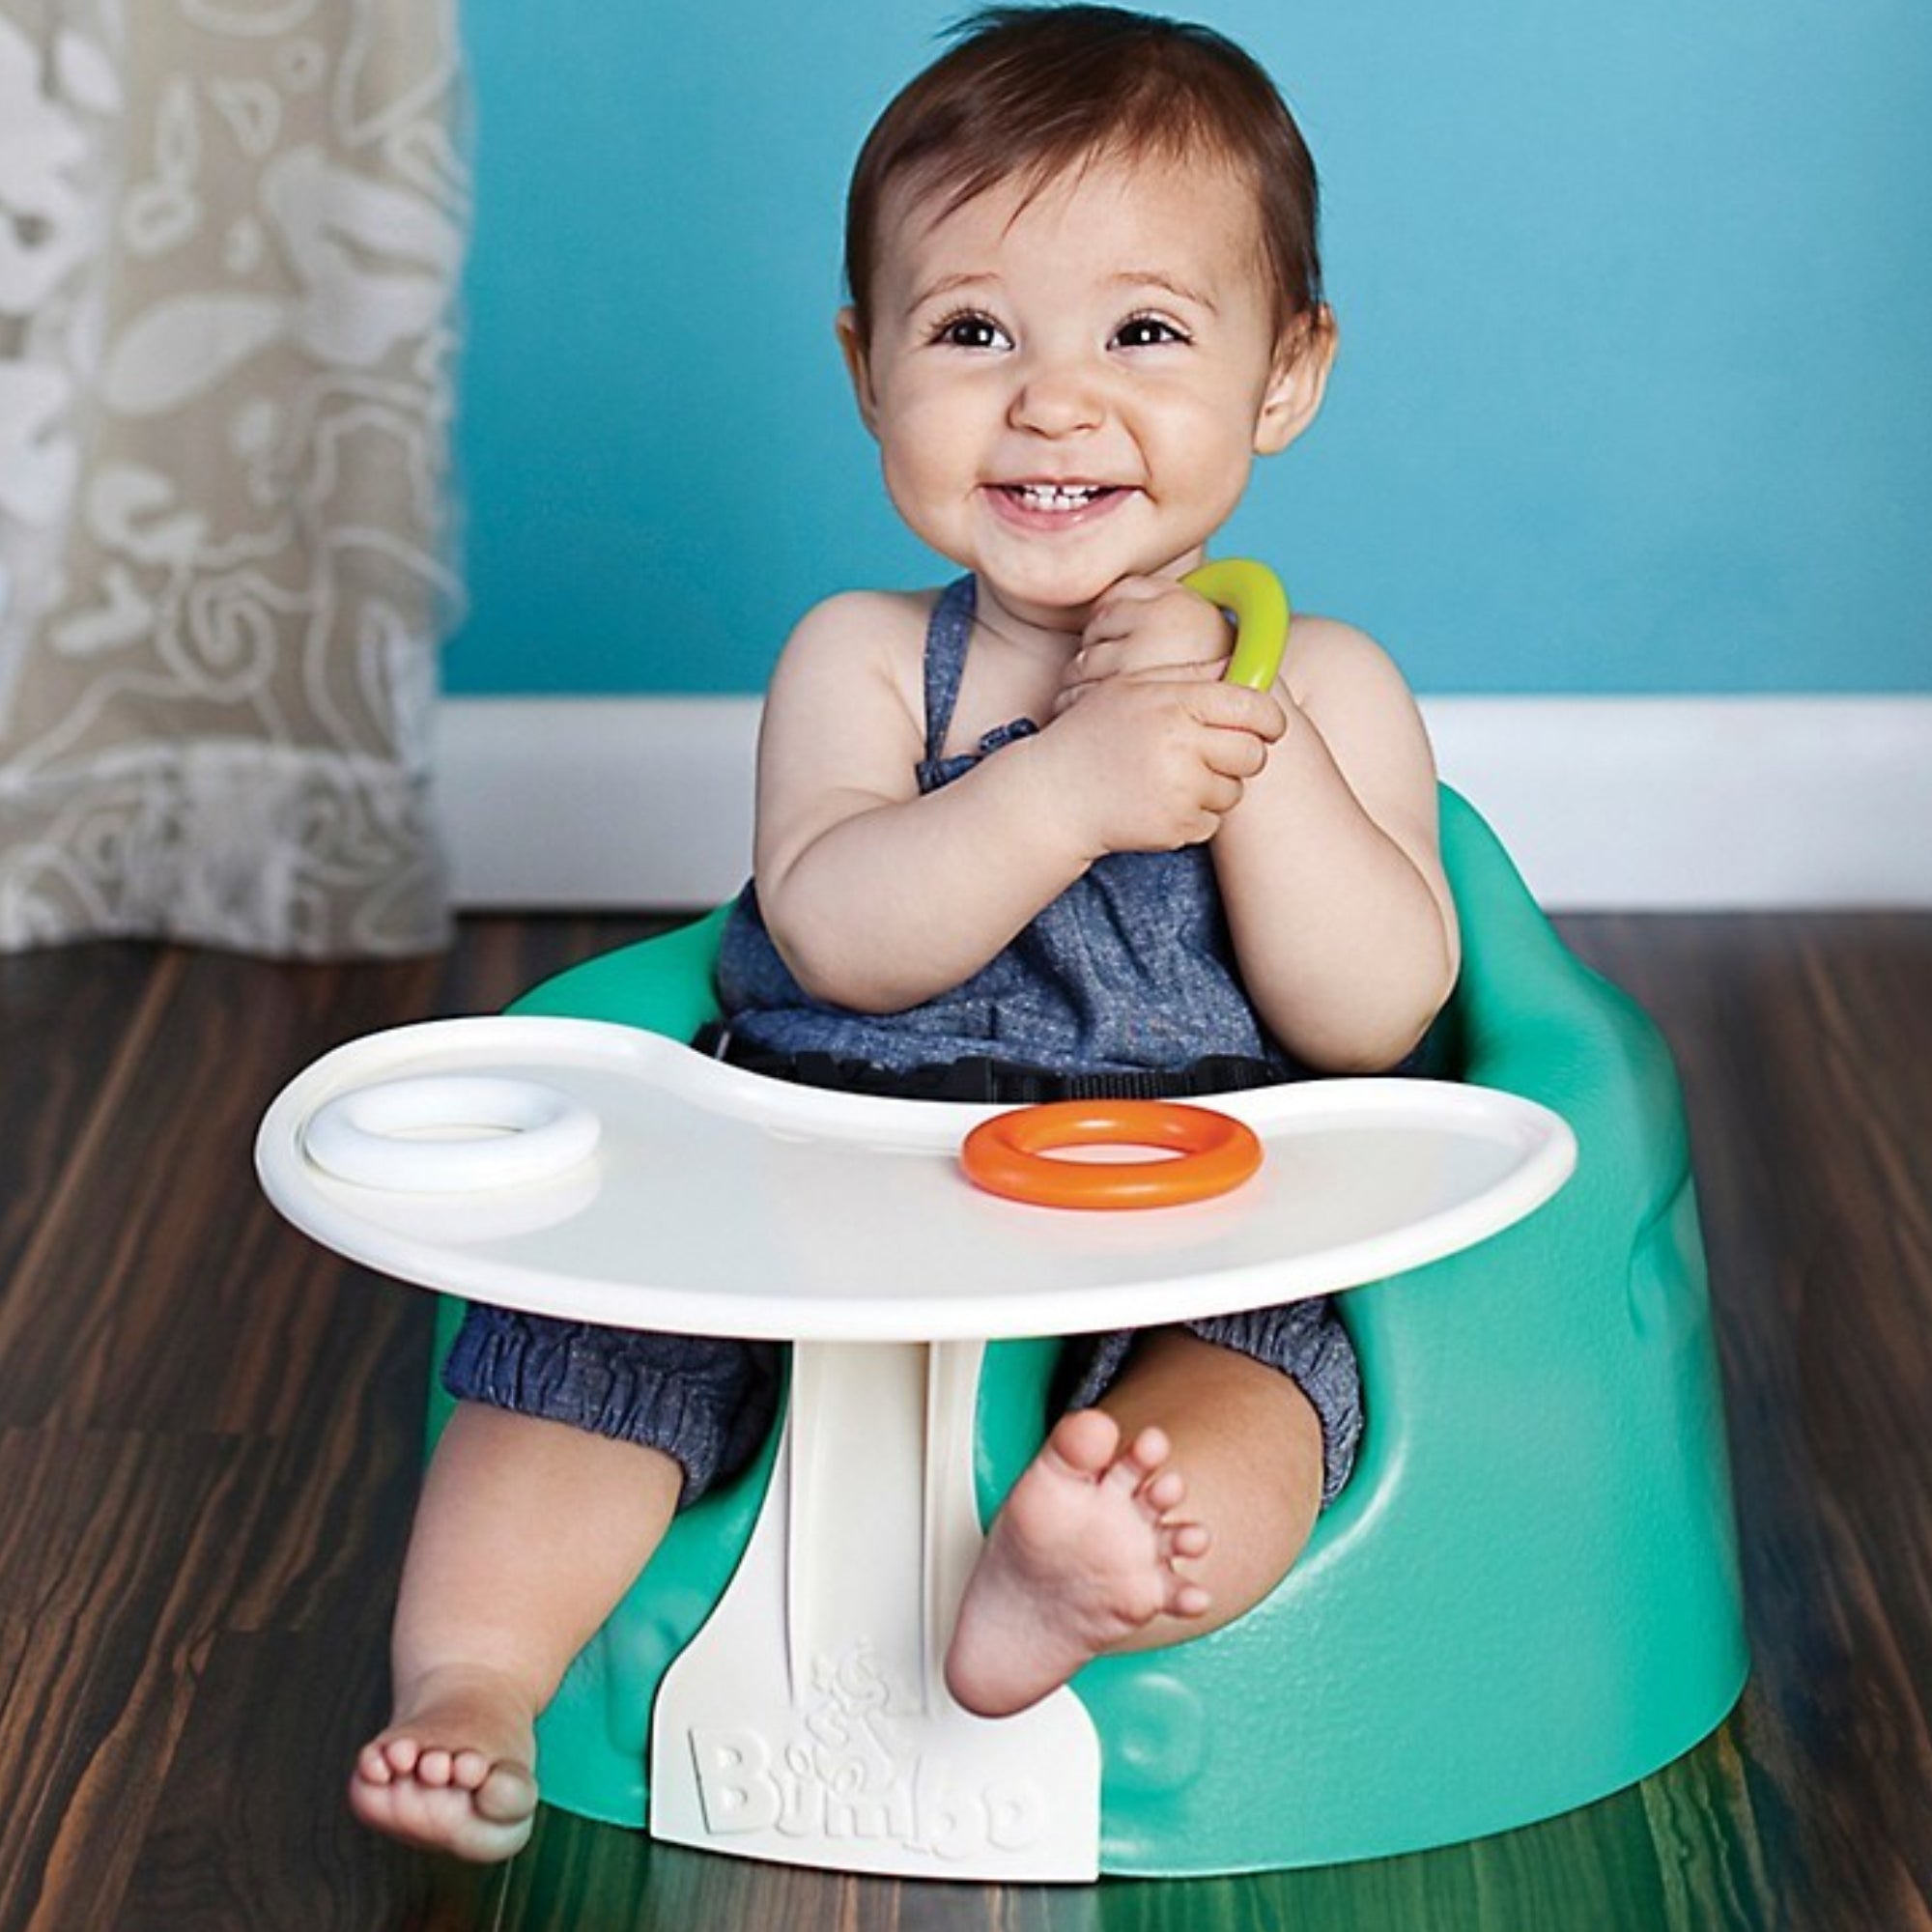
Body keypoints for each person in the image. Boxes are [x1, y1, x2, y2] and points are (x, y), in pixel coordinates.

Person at [352, 3, 1460, 1863]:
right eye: (970, 333)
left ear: (1287, 376)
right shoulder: (865, 660)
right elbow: (839, 936)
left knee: (1259, 1390)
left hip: (1190, 1200)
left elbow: (1376, 1015)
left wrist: (1248, 760)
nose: (1052, 397)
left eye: (1147, 333)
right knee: (585, 1344)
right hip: (822, 1174)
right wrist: (1067, 786)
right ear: (871, 370)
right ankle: (471, 1678)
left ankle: (1082, 1569)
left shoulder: (1331, 684)